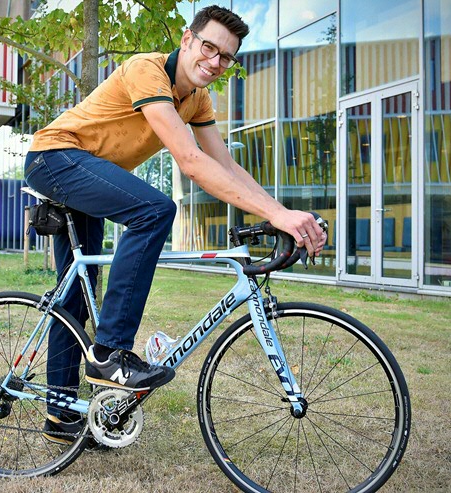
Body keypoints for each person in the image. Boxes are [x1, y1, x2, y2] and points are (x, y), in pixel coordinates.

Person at [24, 5, 326, 443]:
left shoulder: (197, 100)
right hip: (55, 157)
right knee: (154, 210)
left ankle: (60, 417)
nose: (215, 62)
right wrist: (278, 216)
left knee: (75, 296)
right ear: (187, 40)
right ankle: (110, 354)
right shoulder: (146, 70)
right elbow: (190, 160)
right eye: (209, 47)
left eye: (227, 57)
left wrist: (281, 213)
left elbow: (225, 166)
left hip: (88, 171)